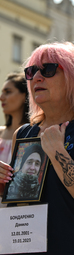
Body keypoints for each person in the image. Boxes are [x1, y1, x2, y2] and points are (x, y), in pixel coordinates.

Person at [0, 42, 74, 255]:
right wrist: (3, 185)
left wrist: (57, 152)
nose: (37, 77)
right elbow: (24, 198)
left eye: (48, 69)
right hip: (25, 248)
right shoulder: (23, 134)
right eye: (31, 72)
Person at [0, 73, 29, 207]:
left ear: (25, 95)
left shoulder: (36, 133)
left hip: (21, 212)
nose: (1, 97)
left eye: (8, 92)